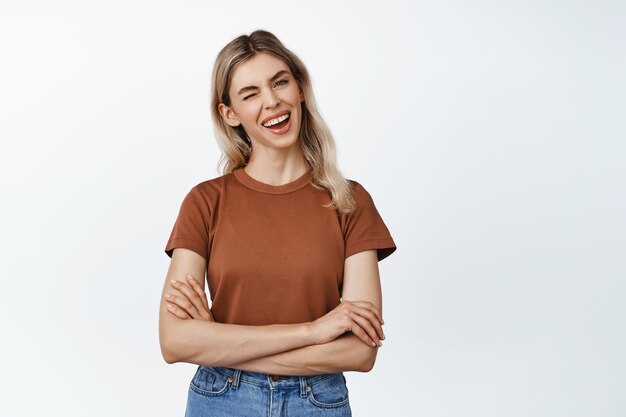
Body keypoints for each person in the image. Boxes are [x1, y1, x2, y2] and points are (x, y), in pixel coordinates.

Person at [159, 29, 397, 417]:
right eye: (250, 94)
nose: (272, 101)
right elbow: (175, 342)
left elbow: (359, 350)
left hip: (318, 401)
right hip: (221, 400)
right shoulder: (205, 202)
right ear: (230, 114)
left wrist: (220, 344)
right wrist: (313, 331)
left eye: (280, 82)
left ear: (299, 88)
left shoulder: (350, 202)